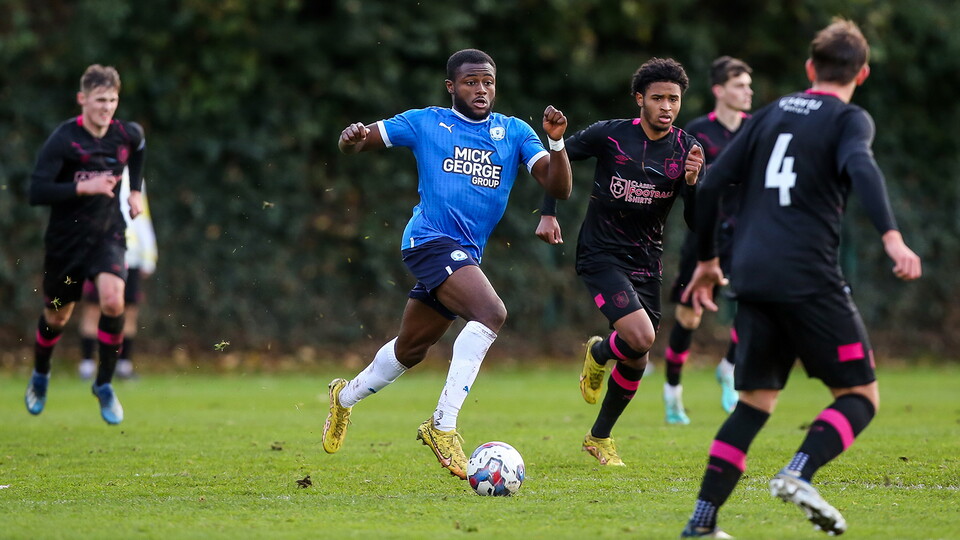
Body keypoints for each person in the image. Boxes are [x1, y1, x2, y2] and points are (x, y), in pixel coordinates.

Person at [679, 19, 922, 538]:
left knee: (754, 403)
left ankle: (702, 522)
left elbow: (713, 183)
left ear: (810, 68)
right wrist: (891, 237)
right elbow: (860, 165)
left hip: (752, 275)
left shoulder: (768, 114)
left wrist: (706, 260)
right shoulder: (849, 119)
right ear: (863, 73)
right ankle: (798, 472)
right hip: (809, 278)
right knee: (860, 396)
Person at [322, 49, 572, 480]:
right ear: (451, 87)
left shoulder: (513, 131)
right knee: (491, 312)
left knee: (409, 350)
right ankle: (443, 425)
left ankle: (343, 399)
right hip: (428, 241)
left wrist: (556, 141)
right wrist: (351, 138)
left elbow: (559, 186)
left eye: (488, 82)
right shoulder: (424, 121)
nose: (481, 89)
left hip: (465, 255)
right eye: (471, 81)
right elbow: (363, 141)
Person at [535, 58, 704, 466]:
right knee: (642, 337)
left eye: (674, 99)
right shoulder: (608, 136)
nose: (666, 106)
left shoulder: (687, 149)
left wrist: (696, 184)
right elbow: (551, 165)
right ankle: (598, 353)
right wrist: (548, 212)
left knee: (638, 355)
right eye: (658, 97)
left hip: (647, 259)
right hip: (600, 254)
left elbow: (697, 221)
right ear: (640, 99)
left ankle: (599, 437)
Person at [25, 64, 146, 425]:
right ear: (82, 99)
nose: (106, 107)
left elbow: (139, 147)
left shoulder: (127, 133)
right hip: (66, 245)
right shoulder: (64, 139)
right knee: (58, 315)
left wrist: (135, 190)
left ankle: (104, 384)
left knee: (113, 300)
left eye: (111, 100)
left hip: (107, 235)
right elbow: (36, 191)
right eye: (99, 100)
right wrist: (83, 186)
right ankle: (41, 373)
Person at [662, 56, 754, 424]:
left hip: (747, 236)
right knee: (689, 317)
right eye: (740, 85)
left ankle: (729, 368)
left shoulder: (757, 129)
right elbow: (689, 187)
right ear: (720, 90)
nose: (748, 91)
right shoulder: (698, 131)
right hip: (705, 237)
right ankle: (672, 395)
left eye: (749, 85)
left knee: (755, 306)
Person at [79, 173, 157, 380]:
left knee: (128, 311)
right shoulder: (95, 170)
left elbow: (143, 216)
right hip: (101, 252)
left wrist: (149, 254)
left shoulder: (136, 178)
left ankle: (123, 365)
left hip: (131, 254)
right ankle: (87, 364)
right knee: (94, 308)